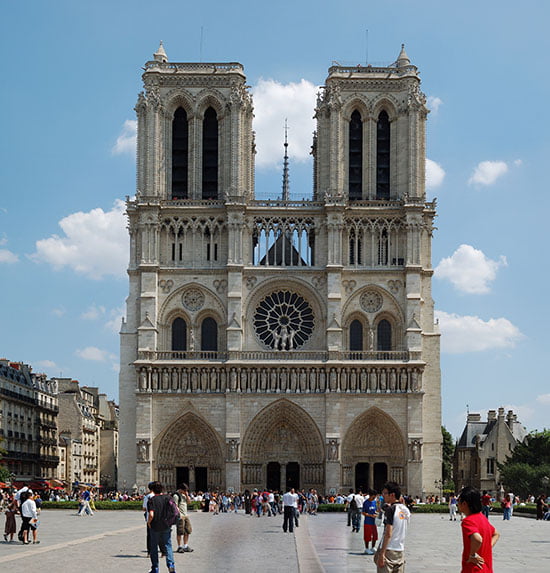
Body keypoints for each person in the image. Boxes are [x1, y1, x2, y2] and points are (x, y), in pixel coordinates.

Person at [457, 486, 500, 572]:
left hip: (473, 569)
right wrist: (487, 546)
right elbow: (496, 534)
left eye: (459, 501)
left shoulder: (468, 521)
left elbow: (477, 539)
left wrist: (472, 555)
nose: (457, 504)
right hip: (486, 568)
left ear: (464, 503)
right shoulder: (483, 518)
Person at [374, 481, 410, 572]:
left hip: (389, 550)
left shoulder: (390, 510)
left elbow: (388, 533)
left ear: (392, 495)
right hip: (400, 551)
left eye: (385, 493)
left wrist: (382, 553)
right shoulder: (406, 510)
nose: (383, 496)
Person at [147, 481, 176, 573]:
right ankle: (171, 565)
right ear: (162, 489)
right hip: (166, 525)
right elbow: (176, 510)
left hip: (155, 526)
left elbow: (151, 514)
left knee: (154, 547)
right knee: (168, 545)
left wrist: (149, 522)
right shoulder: (168, 498)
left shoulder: (151, 500)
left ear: (152, 490)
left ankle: (155, 568)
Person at [173, 483, 193, 553]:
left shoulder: (184, 495)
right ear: (181, 489)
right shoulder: (176, 495)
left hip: (186, 515)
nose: (185, 491)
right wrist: (179, 515)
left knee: (187, 531)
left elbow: (189, 503)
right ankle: (179, 546)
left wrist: (187, 495)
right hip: (180, 516)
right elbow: (175, 506)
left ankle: (185, 546)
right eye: (184, 490)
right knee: (180, 532)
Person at [362, 489, 378, 555]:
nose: (374, 498)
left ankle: (373, 547)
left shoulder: (374, 502)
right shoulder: (366, 503)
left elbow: (376, 510)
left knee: (375, 535)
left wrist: (376, 514)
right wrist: (370, 515)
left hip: (374, 522)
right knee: (367, 535)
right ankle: (367, 548)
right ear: (370, 496)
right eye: (373, 496)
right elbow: (363, 512)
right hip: (367, 522)